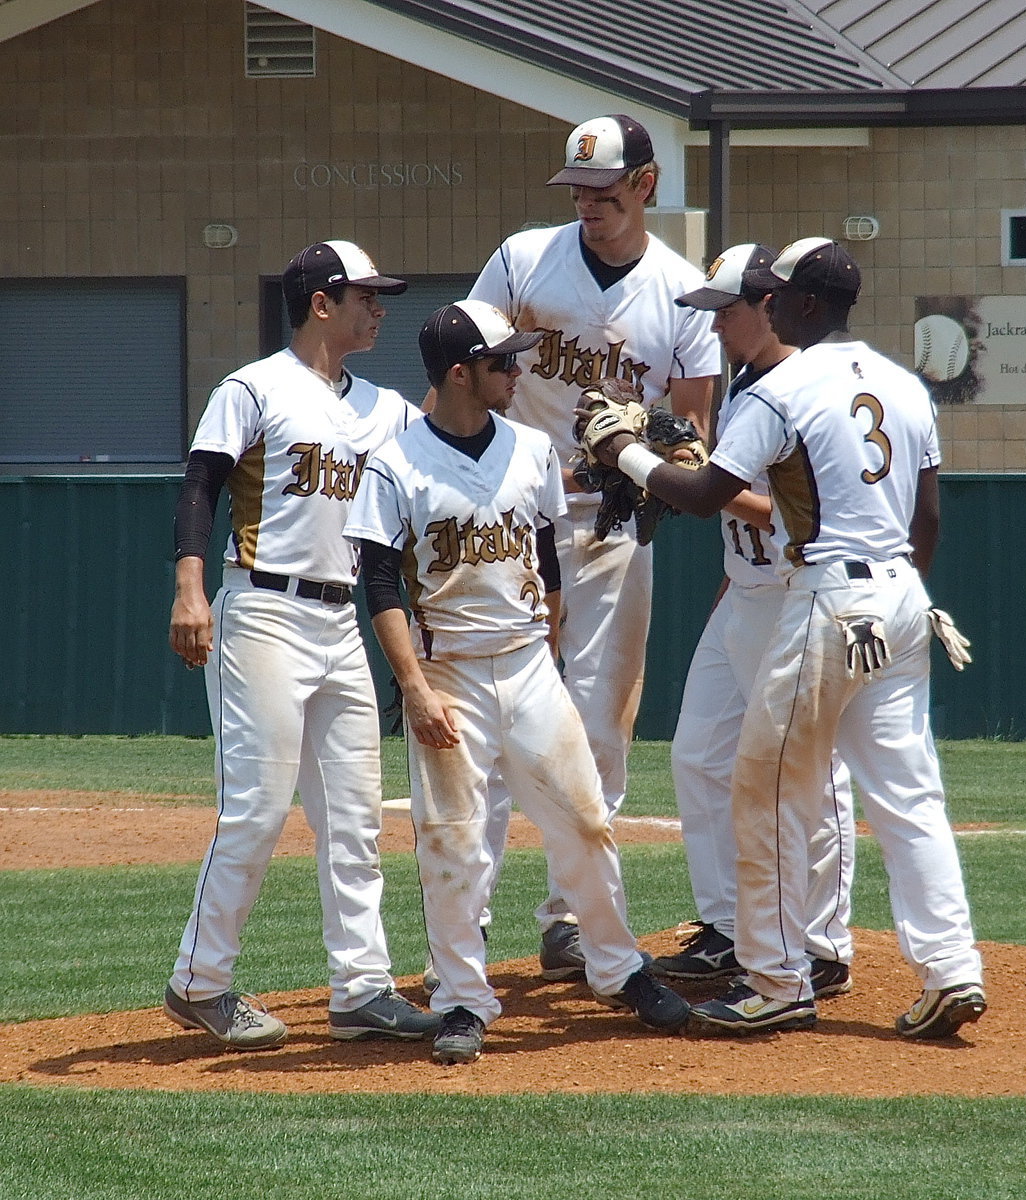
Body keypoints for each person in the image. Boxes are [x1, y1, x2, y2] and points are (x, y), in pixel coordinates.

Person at [579, 237, 986, 1040]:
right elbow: (928, 516)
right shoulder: (905, 383)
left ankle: (774, 978)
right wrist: (902, 589)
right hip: (903, 596)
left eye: (770, 296)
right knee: (909, 799)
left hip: (825, 599)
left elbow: (702, 496)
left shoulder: (783, 386)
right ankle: (951, 970)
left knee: (764, 791)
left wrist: (620, 451)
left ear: (794, 304)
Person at [344, 300, 691, 1065]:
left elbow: (547, 557)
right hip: (449, 673)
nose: (518, 370)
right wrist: (414, 687)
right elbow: (378, 584)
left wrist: (553, 650)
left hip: (530, 664)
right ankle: (463, 999)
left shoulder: (531, 450)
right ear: (460, 373)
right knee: (453, 844)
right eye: (503, 361)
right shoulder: (396, 465)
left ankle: (618, 967)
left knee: (585, 821)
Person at [164, 239, 439, 1049]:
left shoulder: (384, 408)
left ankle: (361, 989)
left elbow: (448, 455)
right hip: (263, 610)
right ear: (321, 302)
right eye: (365, 295)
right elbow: (200, 485)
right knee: (254, 810)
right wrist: (189, 589)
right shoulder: (253, 387)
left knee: (354, 819)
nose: (379, 307)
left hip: (339, 618)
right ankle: (200, 981)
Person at [465, 114, 722, 978]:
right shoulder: (523, 258)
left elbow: (692, 432)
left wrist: (647, 455)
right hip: (508, 517)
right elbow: (465, 367)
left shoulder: (682, 292)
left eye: (604, 193)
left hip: (612, 518)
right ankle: (465, 921)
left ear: (646, 185)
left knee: (600, 720)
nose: (587, 207)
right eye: (576, 192)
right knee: (493, 714)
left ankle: (570, 920)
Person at [648, 245, 856, 997]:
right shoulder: (744, 384)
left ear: (769, 304)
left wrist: (693, 477)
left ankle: (822, 943)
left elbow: (787, 514)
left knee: (810, 773)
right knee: (698, 757)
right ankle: (731, 928)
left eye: (725, 311)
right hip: (742, 592)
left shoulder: (800, 389)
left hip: (798, 595)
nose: (715, 327)